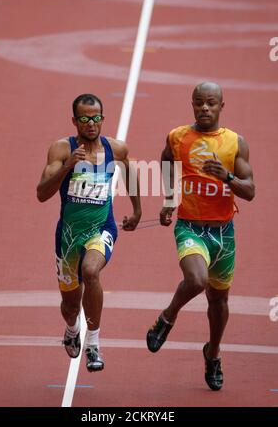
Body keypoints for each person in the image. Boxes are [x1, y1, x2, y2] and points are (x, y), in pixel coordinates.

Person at [146, 82, 255, 390]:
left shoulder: (235, 143)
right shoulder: (179, 136)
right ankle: (167, 318)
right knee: (196, 280)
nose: (204, 108)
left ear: (222, 106)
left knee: (219, 300)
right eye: (199, 103)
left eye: (211, 103)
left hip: (224, 233)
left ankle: (213, 353)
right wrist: (169, 197)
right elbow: (166, 158)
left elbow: (250, 191)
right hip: (190, 226)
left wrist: (227, 176)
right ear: (191, 104)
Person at [37, 93, 141, 371]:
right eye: (84, 119)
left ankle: (93, 344)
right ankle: (72, 330)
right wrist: (69, 165)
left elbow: (130, 174)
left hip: (101, 229)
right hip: (69, 237)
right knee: (70, 305)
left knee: (91, 272)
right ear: (74, 121)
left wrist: (137, 210)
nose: (91, 124)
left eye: (96, 118)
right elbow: (41, 193)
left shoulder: (115, 149)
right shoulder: (61, 150)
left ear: (103, 119)